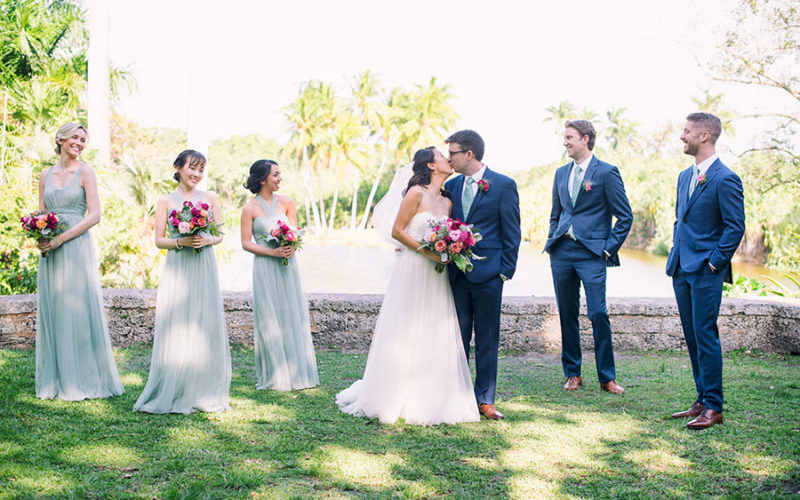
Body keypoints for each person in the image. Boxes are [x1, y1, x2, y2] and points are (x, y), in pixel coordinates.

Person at [336, 147, 479, 426]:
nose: (448, 159)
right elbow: (397, 231)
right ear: (431, 165)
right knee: (406, 328)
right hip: (414, 269)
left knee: (434, 327)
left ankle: (433, 396)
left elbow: (446, 232)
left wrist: (451, 249)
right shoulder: (415, 193)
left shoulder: (447, 202)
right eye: (442, 156)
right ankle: (395, 394)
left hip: (437, 273)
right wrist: (427, 252)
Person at [133, 150, 231, 414]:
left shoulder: (210, 198)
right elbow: (159, 240)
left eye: (201, 170)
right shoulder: (165, 201)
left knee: (203, 321)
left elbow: (220, 234)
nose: (197, 174)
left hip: (203, 263)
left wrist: (206, 239)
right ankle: (174, 386)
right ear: (178, 167)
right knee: (177, 323)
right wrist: (181, 241)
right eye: (192, 168)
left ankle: (202, 389)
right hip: (178, 265)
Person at [666, 112, 745, 430]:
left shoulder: (726, 178)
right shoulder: (686, 176)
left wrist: (714, 263)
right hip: (681, 269)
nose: (682, 136)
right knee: (693, 337)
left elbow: (735, 227)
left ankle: (714, 407)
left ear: (704, 136)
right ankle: (701, 399)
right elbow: (680, 221)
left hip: (706, 271)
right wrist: (676, 255)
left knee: (706, 335)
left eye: (686, 131)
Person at [35, 122, 124, 400]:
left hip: (75, 246)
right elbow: (41, 213)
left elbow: (94, 215)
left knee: (77, 309)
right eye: (74, 137)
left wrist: (62, 239)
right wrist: (41, 236)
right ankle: (56, 378)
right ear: (61, 138)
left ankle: (83, 378)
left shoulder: (86, 171)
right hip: (50, 248)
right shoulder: (44, 174)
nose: (79, 142)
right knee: (54, 308)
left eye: (83, 139)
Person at [543, 120, 633, 395]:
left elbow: (625, 216)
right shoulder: (560, 174)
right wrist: (552, 237)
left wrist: (607, 249)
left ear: (585, 138)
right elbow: (556, 213)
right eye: (564, 137)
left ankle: (607, 377)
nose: (565, 142)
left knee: (598, 312)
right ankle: (573, 374)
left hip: (592, 254)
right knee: (567, 313)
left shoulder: (606, 172)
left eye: (569, 137)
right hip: (561, 252)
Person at [444, 130, 521, 420]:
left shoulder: (503, 185)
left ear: (469, 154)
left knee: (488, 338)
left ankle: (485, 400)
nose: (450, 158)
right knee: (457, 337)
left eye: (453, 153)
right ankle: (458, 396)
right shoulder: (450, 186)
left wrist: (505, 272)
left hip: (490, 275)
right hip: (456, 275)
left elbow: (512, 231)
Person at [240, 159, 318, 391]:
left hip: (287, 265)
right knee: (270, 316)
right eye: (275, 174)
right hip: (265, 265)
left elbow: (294, 233)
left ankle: (296, 370)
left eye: (279, 174)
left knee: (291, 312)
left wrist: (291, 246)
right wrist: (271, 252)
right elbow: (245, 243)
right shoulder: (249, 209)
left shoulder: (287, 202)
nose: (279, 178)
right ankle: (275, 373)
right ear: (262, 179)